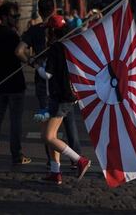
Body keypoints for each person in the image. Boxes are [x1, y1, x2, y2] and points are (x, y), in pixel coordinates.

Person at [15, 0, 82, 169]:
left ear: (39, 11)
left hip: (45, 85)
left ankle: (53, 163)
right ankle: (75, 158)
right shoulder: (65, 29)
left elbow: (18, 51)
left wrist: (32, 62)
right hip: (66, 81)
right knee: (69, 121)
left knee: (48, 126)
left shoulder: (36, 30)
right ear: (54, 9)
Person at [35, 15, 91, 184]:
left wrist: (36, 65)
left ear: (52, 31)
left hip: (60, 97)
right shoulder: (69, 46)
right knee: (49, 133)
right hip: (64, 95)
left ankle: (80, 160)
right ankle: (55, 172)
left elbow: (47, 74)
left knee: (48, 137)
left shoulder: (55, 48)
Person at [0, 2, 31, 165]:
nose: (17, 18)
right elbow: (20, 53)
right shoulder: (11, 35)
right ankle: (16, 155)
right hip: (14, 83)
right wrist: (30, 61)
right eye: (14, 16)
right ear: (4, 17)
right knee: (15, 121)